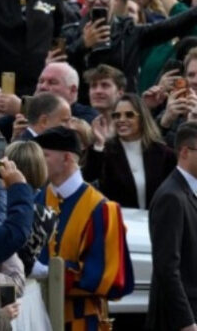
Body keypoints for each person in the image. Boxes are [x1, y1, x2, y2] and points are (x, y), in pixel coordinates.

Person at [34, 126, 134, 330]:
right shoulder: (39, 199)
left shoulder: (101, 209)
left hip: (81, 320)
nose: (38, 162)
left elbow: (105, 275)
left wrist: (49, 272)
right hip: (38, 313)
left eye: (45, 155)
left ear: (67, 158)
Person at [83, 93, 176, 209]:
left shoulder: (164, 154)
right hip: (118, 222)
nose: (121, 120)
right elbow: (88, 178)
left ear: (142, 118)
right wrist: (99, 142)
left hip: (156, 221)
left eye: (129, 115)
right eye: (116, 116)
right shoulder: (105, 151)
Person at [146, 121, 197, 331]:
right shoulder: (171, 197)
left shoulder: (186, 192)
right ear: (185, 152)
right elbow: (167, 267)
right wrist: (186, 321)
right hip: (178, 320)